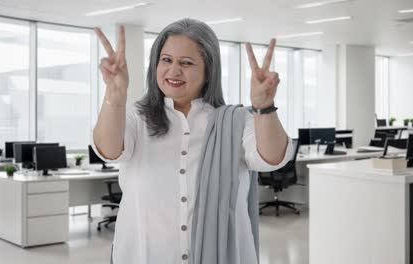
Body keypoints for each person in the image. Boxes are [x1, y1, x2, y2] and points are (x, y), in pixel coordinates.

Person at [92, 18, 293, 264]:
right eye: (166, 60)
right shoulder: (137, 118)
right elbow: (108, 150)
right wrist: (114, 96)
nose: (174, 70)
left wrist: (264, 107)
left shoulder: (236, 122)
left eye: (186, 63)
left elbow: (272, 158)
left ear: (209, 71)